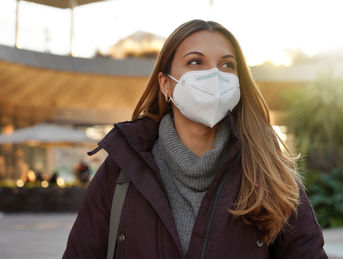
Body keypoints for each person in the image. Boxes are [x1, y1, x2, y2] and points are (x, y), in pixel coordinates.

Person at [63, 20, 327, 259]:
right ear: (166, 84)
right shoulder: (121, 172)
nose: (215, 75)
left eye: (227, 65)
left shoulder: (270, 172)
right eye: (195, 62)